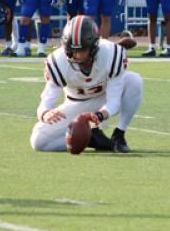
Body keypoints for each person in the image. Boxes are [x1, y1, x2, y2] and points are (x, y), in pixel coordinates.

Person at [30, 15, 143, 153]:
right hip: (75, 104)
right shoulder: (58, 61)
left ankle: (119, 135)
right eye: (72, 50)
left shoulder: (110, 53)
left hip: (103, 97)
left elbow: (114, 101)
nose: (77, 55)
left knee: (133, 80)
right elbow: (46, 100)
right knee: (38, 141)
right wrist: (45, 113)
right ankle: (90, 138)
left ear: (94, 46)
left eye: (82, 50)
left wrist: (100, 115)